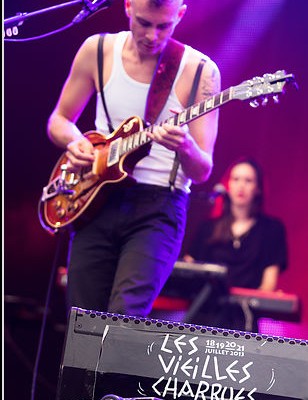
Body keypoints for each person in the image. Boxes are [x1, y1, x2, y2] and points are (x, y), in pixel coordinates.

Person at [46, 0, 221, 318]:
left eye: (163, 26)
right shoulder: (97, 50)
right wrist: (76, 143)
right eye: (143, 22)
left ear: (180, 15)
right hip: (97, 198)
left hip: (158, 208)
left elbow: (203, 169)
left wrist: (185, 147)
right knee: (81, 322)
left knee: (122, 319)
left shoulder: (200, 71)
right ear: (127, 6)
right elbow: (59, 120)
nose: (152, 36)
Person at [182, 157, 288, 332]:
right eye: (236, 179)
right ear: (227, 185)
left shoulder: (272, 229)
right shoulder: (208, 228)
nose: (241, 186)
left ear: (258, 188)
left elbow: (269, 283)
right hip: (205, 312)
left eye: (248, 181)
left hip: (245, 316)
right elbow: (190, 269)